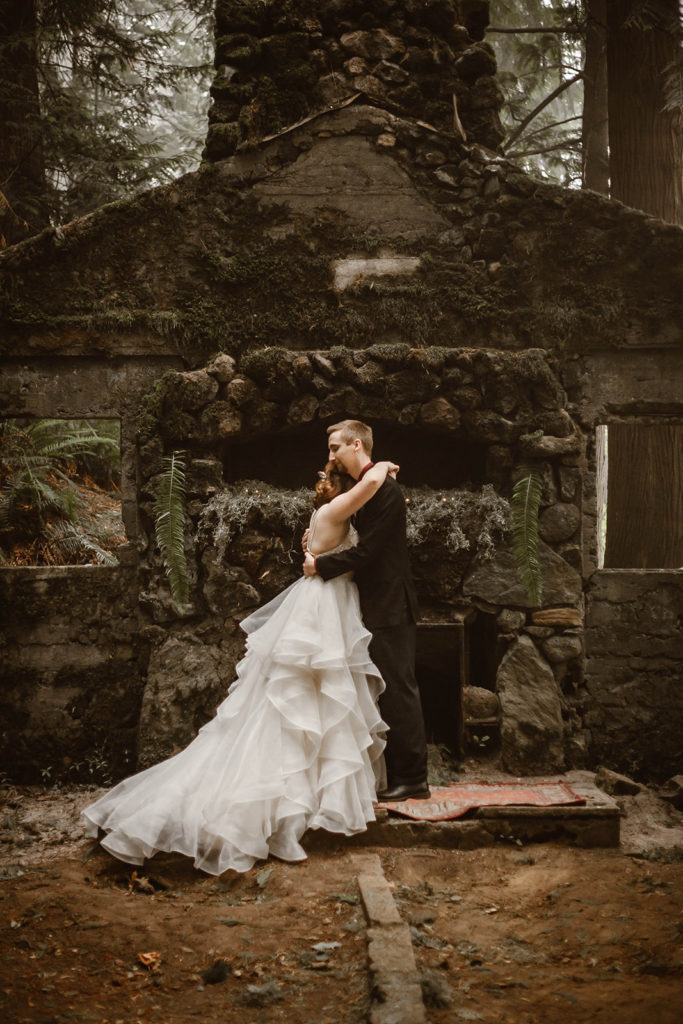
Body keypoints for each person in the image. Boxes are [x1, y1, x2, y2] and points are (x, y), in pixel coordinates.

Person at [81, 459, 399, 876]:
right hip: (323, 608)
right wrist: (382, 465)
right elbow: (369, 486)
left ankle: (307, 799)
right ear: (343, 486)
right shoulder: (336, 509)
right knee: (302, 702)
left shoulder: (325, 515)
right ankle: (280, 808)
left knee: (312, 704)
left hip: (325, 602)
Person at [303, 420, 429, 803]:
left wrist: (320, 566)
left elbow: (369, 551)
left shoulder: (385, 490)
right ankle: (396, 774)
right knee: (386, 691)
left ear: (356, 445)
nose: (331, 456)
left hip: (391, 603)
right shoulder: (367, 487)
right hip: (374, 602)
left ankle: (413, 779)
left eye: (335, 447)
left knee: (399, 689)